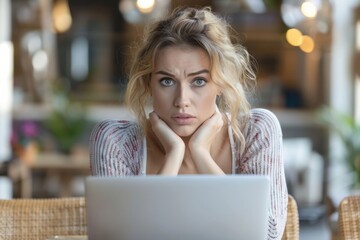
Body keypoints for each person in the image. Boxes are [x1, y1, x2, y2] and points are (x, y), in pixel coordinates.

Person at [89, 6, 288, 239]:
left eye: (199, 81)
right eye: (166, 81)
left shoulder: (255, 131)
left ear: (221, 83)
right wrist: (173, 156)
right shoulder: (116, 142)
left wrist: (200, 153)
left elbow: (269, 234)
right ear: (147, 84)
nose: (182, 100)